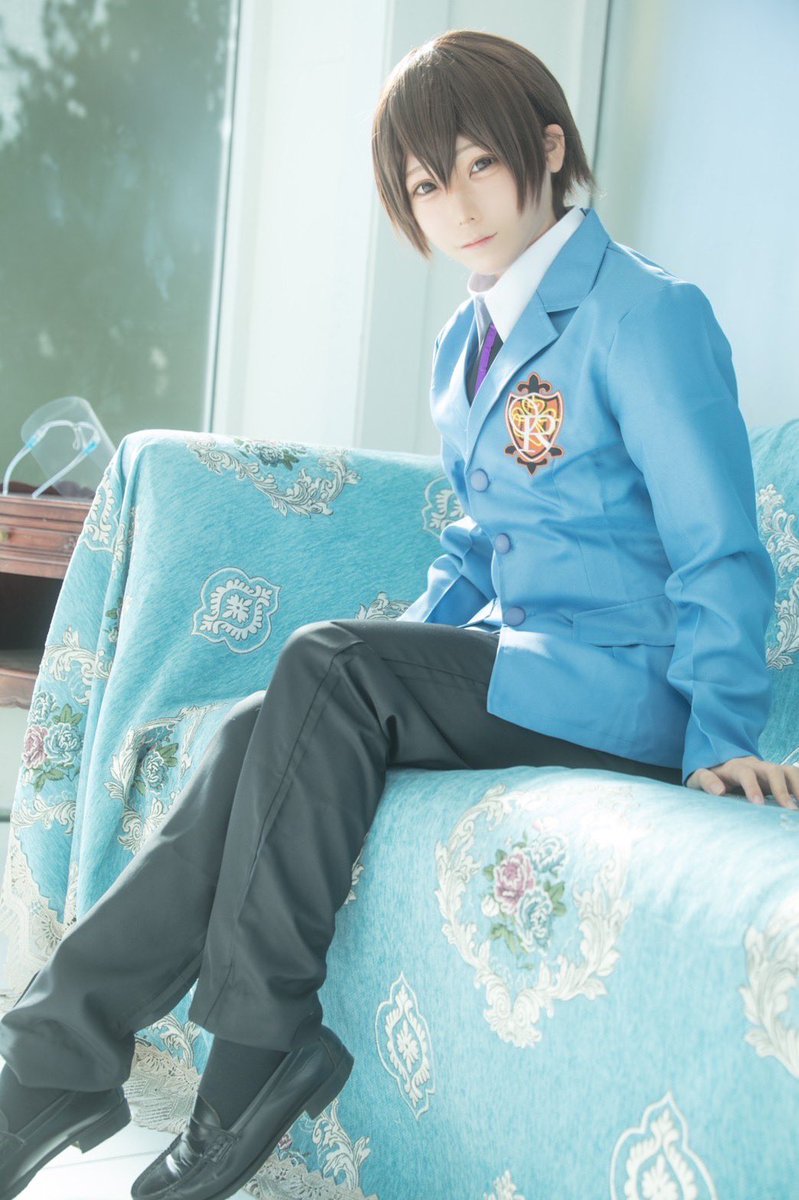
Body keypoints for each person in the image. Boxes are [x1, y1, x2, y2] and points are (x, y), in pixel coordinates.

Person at [0, 26, 796, 1200]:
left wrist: (721, 732)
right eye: (425, 185)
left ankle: (253, 1054)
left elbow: (717, 545)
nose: (454, 206)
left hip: (632, 686)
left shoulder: (643, 313)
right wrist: (377, 672)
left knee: (328, 668)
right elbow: (477, 543)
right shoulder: (462, 345)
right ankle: (47, 1064)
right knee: (262, 719)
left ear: (548, 149)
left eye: (479, 165)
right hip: (525, 668)